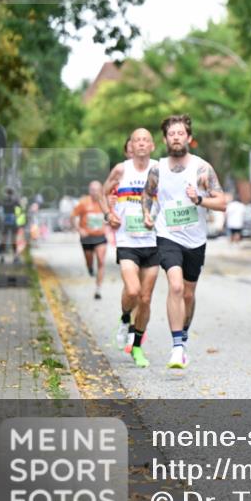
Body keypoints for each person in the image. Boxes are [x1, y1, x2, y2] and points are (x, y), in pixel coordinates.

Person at [142, 115, 226, 369]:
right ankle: (177, 347)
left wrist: (199, 200)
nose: (176, 137)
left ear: (189, 138)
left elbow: (221, 203)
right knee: (176, 287)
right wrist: (148, 214)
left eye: (180, 133)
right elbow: (148, 195)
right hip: (167, 235)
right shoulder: (157, 169)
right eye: (171, 134)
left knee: (188, 293)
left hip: (196, 239)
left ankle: (184, 336)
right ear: (165, 139)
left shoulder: (202, 168)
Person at [101, 128, 159, 368]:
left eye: (146, 140)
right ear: (131, 146)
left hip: (154, 240)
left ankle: (136, 347)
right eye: (137, 140)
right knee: (133, 291)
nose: (142, 144)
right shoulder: (121, 169)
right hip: (127, 240)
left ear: (153, 146)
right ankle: (125, 318)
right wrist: (108, 213)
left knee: (145, 299)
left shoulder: (159, 169)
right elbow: (103, 194)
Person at [72, 181, 109, 299]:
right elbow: (73, 217)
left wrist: (108, 221)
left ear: (101, 190)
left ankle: (98, 289)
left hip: (100, 236)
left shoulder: (104, 202)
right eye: (92, 190)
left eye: (97, 190)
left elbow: (110, 215)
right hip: (87, 237)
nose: (95, 192)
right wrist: (79, 229)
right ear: (89, 191)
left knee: (101, 260)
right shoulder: (83, 202)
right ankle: (89, 267)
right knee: (89, 259)